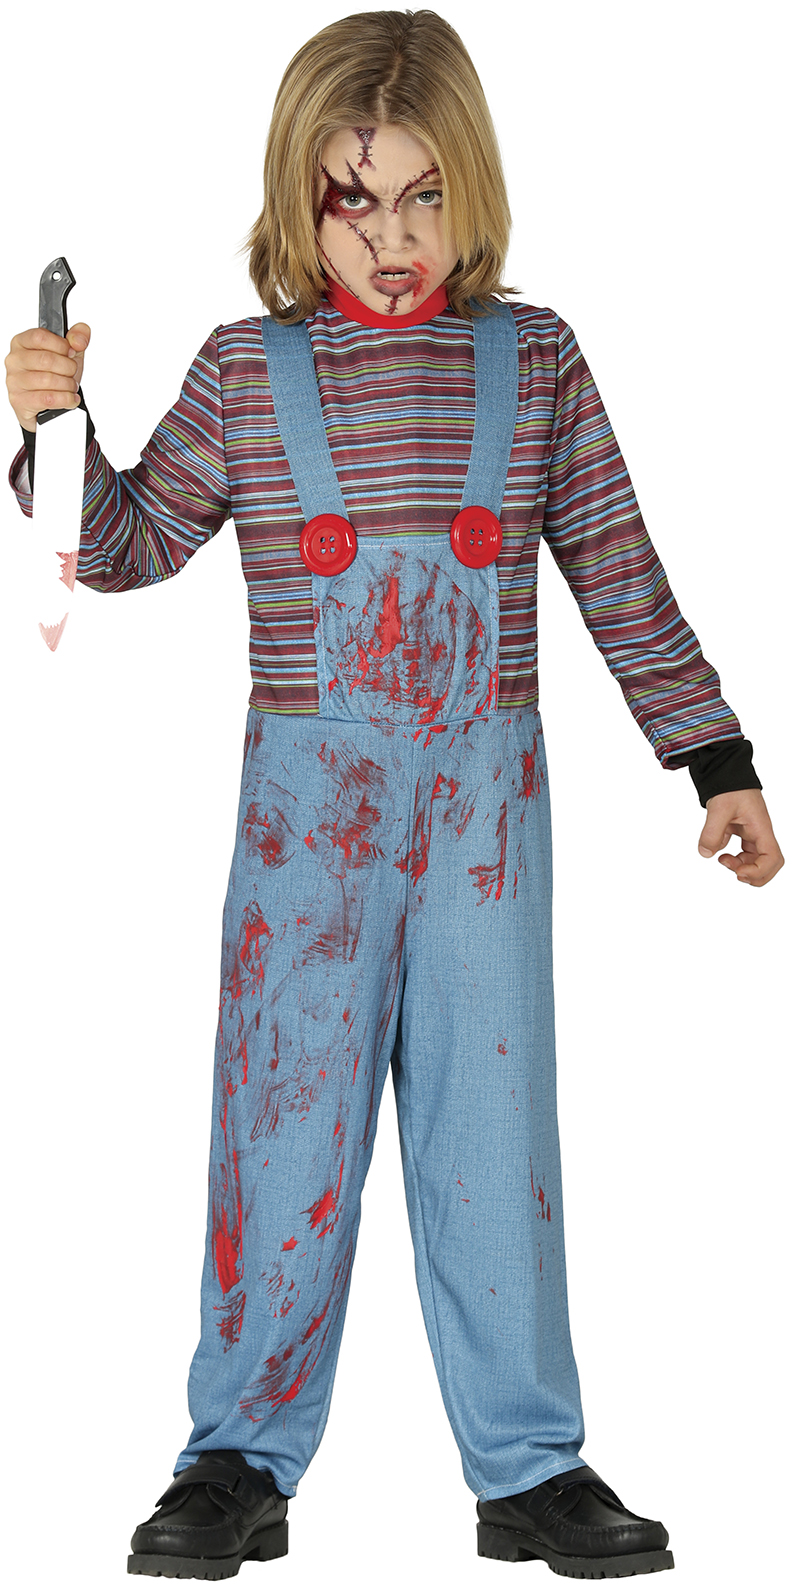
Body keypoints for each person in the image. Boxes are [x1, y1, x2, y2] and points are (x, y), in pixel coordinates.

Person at [4, 8, 784, 1581]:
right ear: (296, 200)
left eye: (426, 194)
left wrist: (715, 758)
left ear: (472, 187)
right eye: (352, 201)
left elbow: (620, 571)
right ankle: (235, 1453)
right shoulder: (247, 370)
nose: (393, 236)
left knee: (496, 1129)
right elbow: (123, 552)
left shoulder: (535, 360)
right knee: (280, 1121)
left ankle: (529, 1463)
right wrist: (50, 429)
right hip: (307, 821)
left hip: (487, 817)